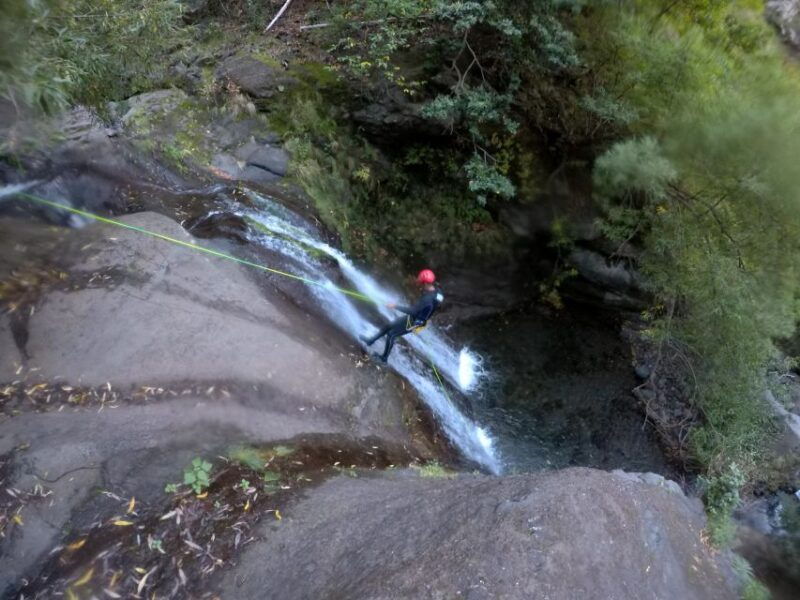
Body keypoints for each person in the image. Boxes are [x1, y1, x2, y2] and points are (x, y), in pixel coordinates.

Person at [360, 269, 443, 363]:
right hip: (416, 316)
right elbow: (437, 302)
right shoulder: (438, 292)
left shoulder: (427, 299)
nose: (419, 284)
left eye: (421, 282)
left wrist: (395, 306)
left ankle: (384, 359)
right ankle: (371, 341)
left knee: (391, 334)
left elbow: (411, 311)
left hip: (416, 322)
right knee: (389, 326)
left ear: (425, 283)